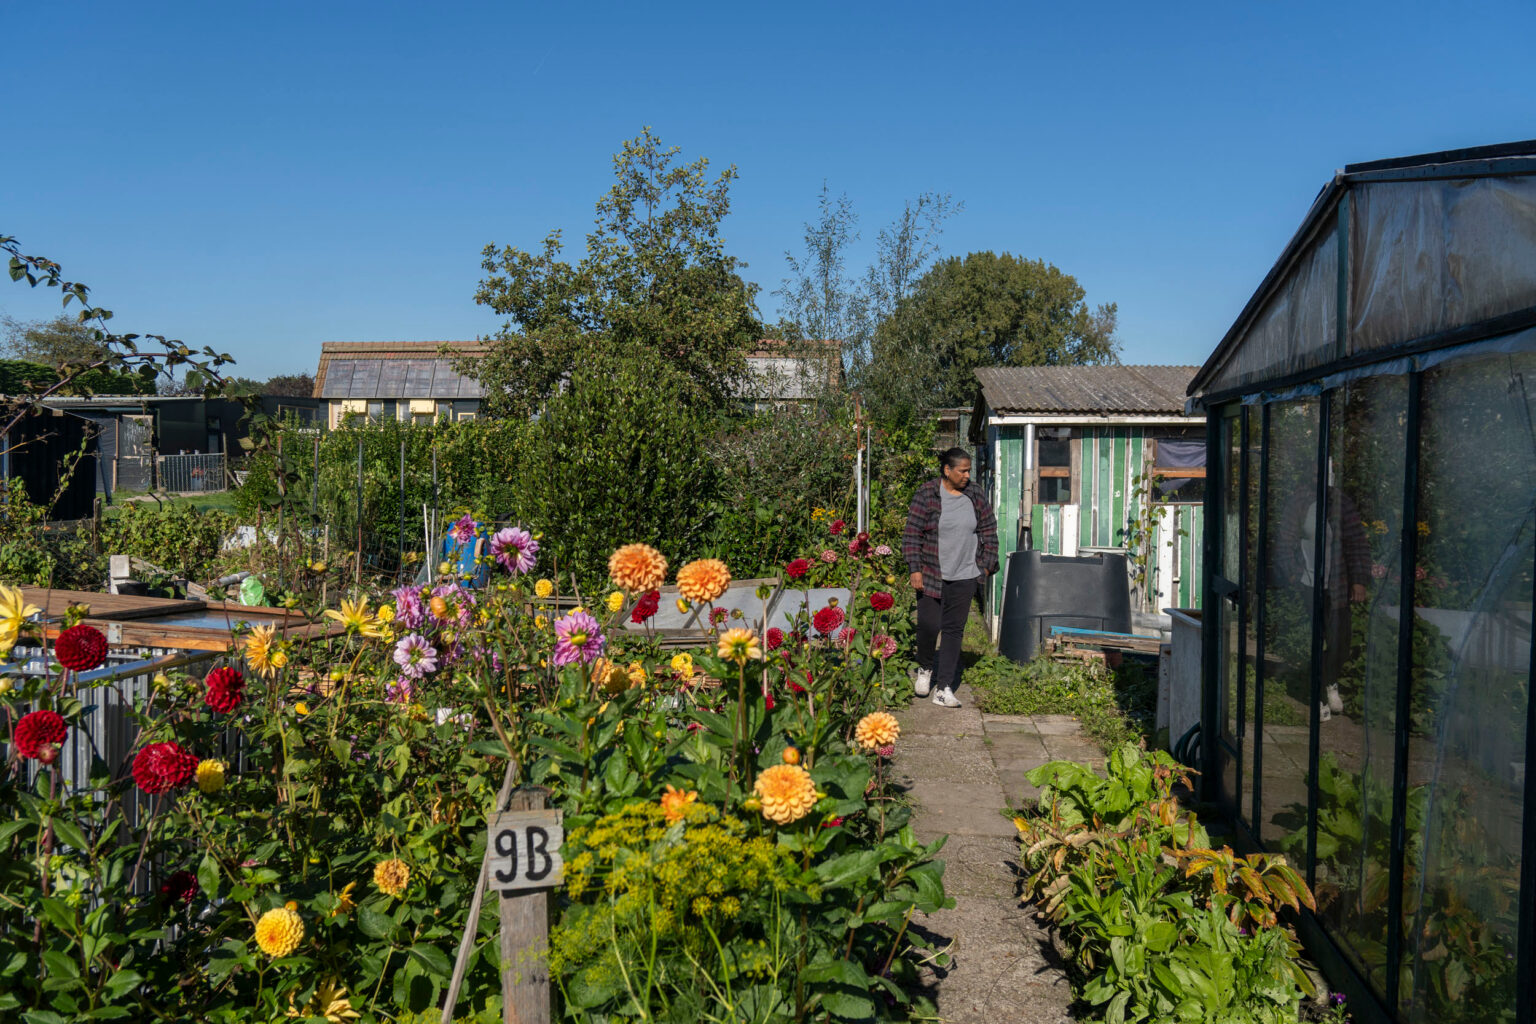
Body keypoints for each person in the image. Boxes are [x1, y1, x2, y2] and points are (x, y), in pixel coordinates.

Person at [902, 447, 999, 708]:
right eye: (962, 471)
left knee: (954, 630)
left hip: (965, 573)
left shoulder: (975, 494)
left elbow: (989, 529)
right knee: (929, 625)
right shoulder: (927, 494)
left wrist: (985, 566)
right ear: (947, 470)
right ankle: (925, 668)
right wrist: (915, 568)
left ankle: (944, 687)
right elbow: (912, 533)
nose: (967, 475)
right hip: (932, 572)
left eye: (969, 470)